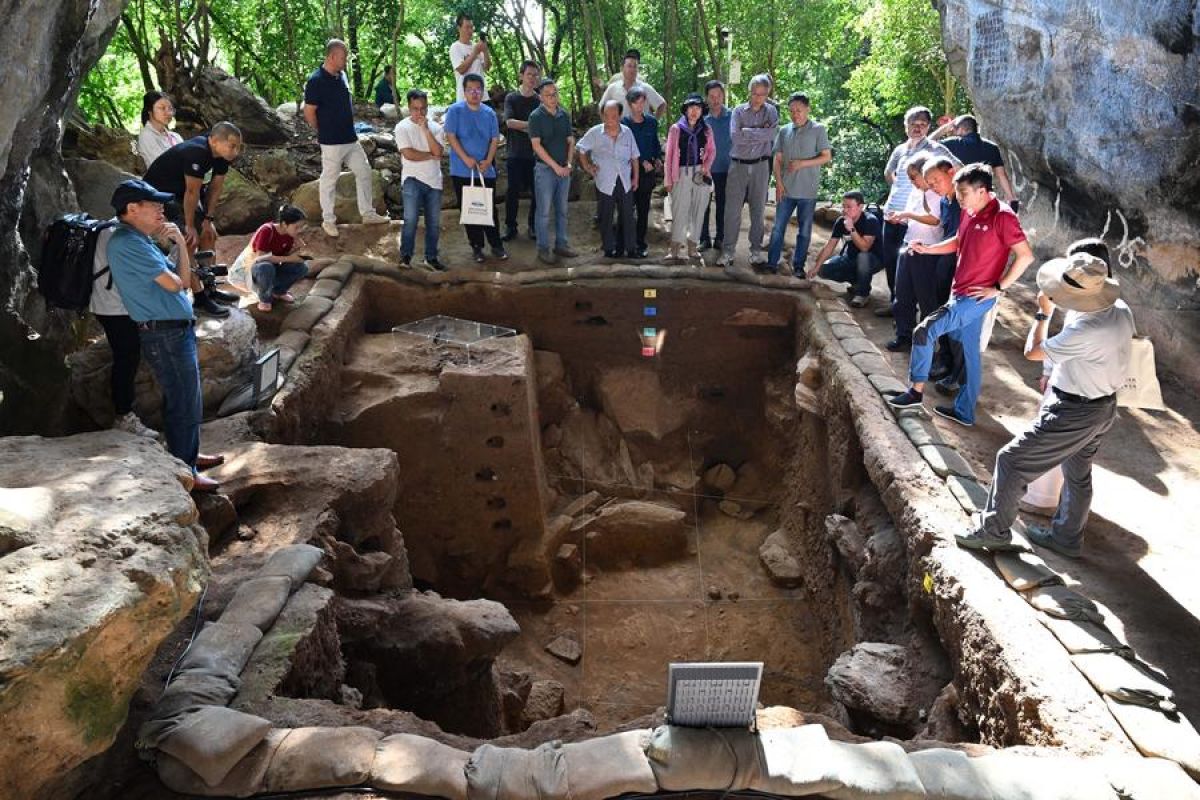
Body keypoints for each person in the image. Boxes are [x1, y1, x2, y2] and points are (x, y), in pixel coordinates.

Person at [955, 253, 1133, 558]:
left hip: (1074, 411)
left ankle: (994, 531)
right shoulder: (1119, 309)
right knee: (1078, 474)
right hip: (1103, 406)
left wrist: (1043, 313)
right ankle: (1066, 538)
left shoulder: (1086, 330)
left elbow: (1033, 352)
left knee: (1011, 461)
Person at [888, 163, 1034, 426]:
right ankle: (965, 412)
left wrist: (999, 288)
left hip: (977, 298)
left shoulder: (1003, 216)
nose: (960, 199)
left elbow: (1025, 256)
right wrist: (928, 249)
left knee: (924, 331)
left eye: (964, 193)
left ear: (982, 191)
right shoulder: (969, 210)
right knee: (970, 354)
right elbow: (958, 240)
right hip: (961, 290)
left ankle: (915, 393)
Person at [106, 179, 222, 492]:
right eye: (154, 205)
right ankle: (186, 470)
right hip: (165, 333)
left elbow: (174, 279)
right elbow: (179, 283)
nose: (161, 210)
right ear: (132, 209)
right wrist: (182, 246)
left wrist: (176, 248)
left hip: (171, 329)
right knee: (183, 400)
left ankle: (189, 456)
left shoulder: (138, 239)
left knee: (188, 397)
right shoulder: (127, 243)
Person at [142, 121, 244, 318]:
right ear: (214, 141)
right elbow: (192, 192)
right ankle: (199, 298)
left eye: (238, 146)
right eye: (232, 146)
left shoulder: (222, 156)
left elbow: (215, 188)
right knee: (189, 241)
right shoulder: (196, 152)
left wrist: (208, 219)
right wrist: (189, 226)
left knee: (209, 235)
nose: (236, 151)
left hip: (181, 194)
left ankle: (210, 288)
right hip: (159, 196)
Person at [303, 39, 391, 239]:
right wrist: (322, 129)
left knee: (364, 172)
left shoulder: (342, 76)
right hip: (331, 142)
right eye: (343, 57)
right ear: (332, 56)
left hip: (350, 138)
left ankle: (367, 213)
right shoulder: (316, 81)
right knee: (329, 180)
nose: (345, 61)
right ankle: (328, 220)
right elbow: (309, 112)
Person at [878, 106, 956, 315]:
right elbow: (888, 172)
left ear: (928, 127)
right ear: (906, 127)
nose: (918, 128)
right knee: (893, 263)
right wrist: (899, 190)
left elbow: (957, 169)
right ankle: (897, 306)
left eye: (922, 125)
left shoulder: (935, 149)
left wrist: (940, 193)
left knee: (917, 270)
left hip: (919, 219)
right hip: (892, 213)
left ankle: (914, 313)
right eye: (913, 124)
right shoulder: (900, 150)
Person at [766, 92, 831, 276]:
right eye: (792, 111)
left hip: (808, 191)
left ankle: (799, 266)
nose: (795, 114)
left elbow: (826, 156)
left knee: (804, 231)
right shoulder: (784, 130)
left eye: (799, 110)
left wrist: (803, 163)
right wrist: (778, 182)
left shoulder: (819, 129)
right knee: (778, 228)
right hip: (785, 189)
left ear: (807, 109)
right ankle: (772, 263)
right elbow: (777, 159)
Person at [445, 73, 508, 263]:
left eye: (478, 89)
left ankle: (496, 245)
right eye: (470, 89)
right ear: (464, 91)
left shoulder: (489, 113)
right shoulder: (455, 111)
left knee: (489, 207)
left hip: (485, 169)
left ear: (483, 91)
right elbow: (451, 136)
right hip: (462, 169)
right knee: (470, 209)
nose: (474, 93)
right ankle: (476, 247)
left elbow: (494, 139)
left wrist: (488, 160)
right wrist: (465, 158)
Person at [718, 74, 779, 271]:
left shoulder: (771, 111)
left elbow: (772, 134)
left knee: (758, 211)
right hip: (738, 165)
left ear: (767, 94)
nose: (758, 98)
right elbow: (736, 137)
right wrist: (759, 132)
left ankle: (755, 252)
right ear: (749, 92)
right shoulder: (737, 111)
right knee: (732, 211)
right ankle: (728, 252)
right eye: (755, 94)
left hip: (761, 165)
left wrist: (749, 131)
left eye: (762, 94)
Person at [886, 155, 943, 350]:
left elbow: (935, 219)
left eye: (914, 177)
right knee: (902, 296)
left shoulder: (938, 194)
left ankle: (926, 343)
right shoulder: (915, 192)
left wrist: (907, 214)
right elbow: (912, 218)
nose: (912, 181)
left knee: (926, 299)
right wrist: (900, 218)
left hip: (928, 251)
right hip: (909, 245)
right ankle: (904, 337)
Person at [578, 100, 640, 259]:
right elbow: (581, 148)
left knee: (627, 215)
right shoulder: (594, 133)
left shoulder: (627, 132)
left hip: (625, 180)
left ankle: (630, 248)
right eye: (606, 115)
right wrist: (587, 167)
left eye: (613, 115)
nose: (609, 119)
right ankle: (608, 249)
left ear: (620, 115)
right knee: (605, 215)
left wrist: (636, 179)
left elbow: (634, 157)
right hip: (605, 181)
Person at [394, 88, 447, 271]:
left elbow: (439, 152)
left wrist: (425, 130)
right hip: (412, 179)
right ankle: (405, 257)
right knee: (410, 220)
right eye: (415, 109)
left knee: (433, 223)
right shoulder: (401, 127)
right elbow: (408, 154)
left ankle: (431, 258)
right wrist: (430, 155)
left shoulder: (436, 128)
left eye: (423, 108)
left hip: (434, 181)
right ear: (409, 108)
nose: (420, 113)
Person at [528, 78, 577, 265]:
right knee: (544, 211)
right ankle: (543, 248)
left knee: (563, 209)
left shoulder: (564, 115)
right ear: (540, 97)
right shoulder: (535, 117)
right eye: (547, 95)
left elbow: (570, 141)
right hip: (545, 170)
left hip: (564, 169)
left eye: (554, 93)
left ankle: (561, 244)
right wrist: (555, 167)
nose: (552, 97)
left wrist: (569, 164)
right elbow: (536, 146)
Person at [807, 191, 883, 306]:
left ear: (860, 207)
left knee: (863, 257)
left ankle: (863, 294)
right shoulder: (841, 221)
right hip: (850, 258)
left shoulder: (870, 220)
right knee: (824, 270)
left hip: (873, 260)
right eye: (843, 206)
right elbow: (830, 245)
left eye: (849, 207)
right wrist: (816, 267)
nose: (845, 210)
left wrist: (851, 228)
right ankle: (857, 282)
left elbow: (864, 247)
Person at [663, 94, 714, 263]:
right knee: (679, 210)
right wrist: (668, 180)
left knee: (699, 210)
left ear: (701, 111)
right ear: (685, 110)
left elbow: (711, 151)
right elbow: (669, 156)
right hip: (681, 173)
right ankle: (675, 248)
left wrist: (706, 168)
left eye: (698, 108)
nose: (694, 111)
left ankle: (693, 245)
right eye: (691, 108)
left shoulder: (706, 130)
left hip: (700, 172)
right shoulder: (676, 129)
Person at [933, 114, 1016, 208]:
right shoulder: (992, 147)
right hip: (985, 199)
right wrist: (1012, 198)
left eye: (955, 128)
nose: (953, 131)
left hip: (961, 199)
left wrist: (945, 128)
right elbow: (1001, 175)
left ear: (962, 129)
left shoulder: (954, 143)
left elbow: (927, 143)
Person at [502, 60, 542, 241]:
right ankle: (511, 227)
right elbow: (509, 122)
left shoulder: (540, 99)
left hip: (536, 154)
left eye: (535, 75)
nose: (533, 78)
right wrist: (531, 125)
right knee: (512, 191)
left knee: (537, 191)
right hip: (515, 153)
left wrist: (524, 126)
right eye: (529, 74)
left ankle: (533, 226)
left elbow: (544, 127)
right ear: (521, 76)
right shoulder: (511, 98)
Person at [621, 88, 661, 259]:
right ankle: (622, 244)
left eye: (642, 102)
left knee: (643, 210)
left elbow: (655, 144)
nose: (639, 106)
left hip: (647, 173)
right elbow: (622, 148)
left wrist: (656, 159)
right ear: (630, 104)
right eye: (636, 102)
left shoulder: (651, 122)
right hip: (626, 172)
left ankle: (640, 244)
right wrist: (640, 160)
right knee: (626, 210)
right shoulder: (624, 124)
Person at [247, 205, 310, 312]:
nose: (299, 230)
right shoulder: (267, 230)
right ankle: (265, 299)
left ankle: (278, 291)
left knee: (302, 267)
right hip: (257, 270)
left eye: (301, 227)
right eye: (296, 227)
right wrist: (291, 258)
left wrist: (296, 251)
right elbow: (261, 257)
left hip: (273, 268)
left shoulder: (289, 235)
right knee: (266, 267)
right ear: (285, 224)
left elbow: (283, 257)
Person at [700, 80, 732, 251]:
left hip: (727, 168)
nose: (715, 100)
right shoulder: (702, 119)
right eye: (711, 96)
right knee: (703, 205)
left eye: (718, 96)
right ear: (707, 98)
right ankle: (703, 238)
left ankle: (721, 238)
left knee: (723, 205)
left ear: (723, 96)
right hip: (707, 170)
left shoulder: (733, 117)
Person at [598, 50, 666, 118]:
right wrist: (608, 125)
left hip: (641, 127)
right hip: (620, 127)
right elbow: (601, 107)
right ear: (622, 68)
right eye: (629, 66)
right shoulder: (613, 87)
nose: (632, 69)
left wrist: (652, 123)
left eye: (635, 66)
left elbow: (661, 104)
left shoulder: (644, 87)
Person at [450, 13, 490, 102]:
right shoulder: (455, 47)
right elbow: (461, 70)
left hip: (482, 97)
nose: (470, 30)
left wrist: (485, 51)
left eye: (472, 27)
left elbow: (487, 68)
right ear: (459, 28)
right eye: (467, 27)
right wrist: (475, 52)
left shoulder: (476, 46)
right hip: (465, 99)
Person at [137, 92, 182, 170]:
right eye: (162, 108)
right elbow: (162, 167)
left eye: (170, 109)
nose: (168, 113)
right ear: (149, 110)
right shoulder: (146, 136)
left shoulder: (175, 136)